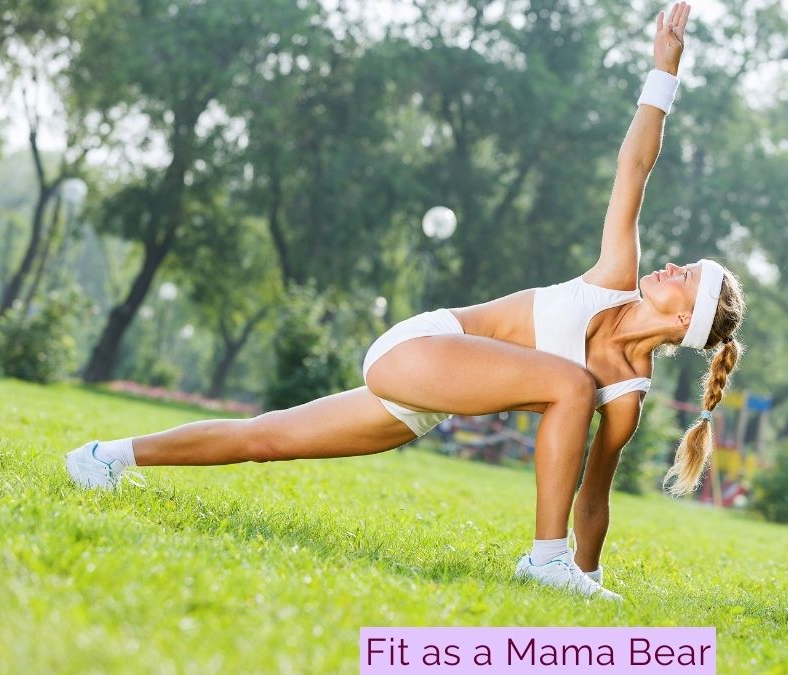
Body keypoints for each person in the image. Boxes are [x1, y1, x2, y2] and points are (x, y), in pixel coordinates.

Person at [66, 2, 744, 601]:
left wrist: (589, 585)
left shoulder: (626, 395)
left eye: (686, 275)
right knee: (567, 382)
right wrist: (665, 73)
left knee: (266, 437)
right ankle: (542, 559)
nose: (671, 264)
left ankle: (104, 456)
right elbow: (635, 166)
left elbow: (593, 496)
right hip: (421, 346)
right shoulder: (615, 276)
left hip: (419, 402)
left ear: (684, 319)